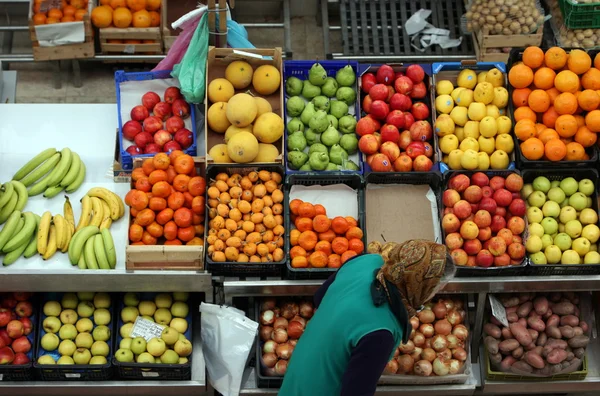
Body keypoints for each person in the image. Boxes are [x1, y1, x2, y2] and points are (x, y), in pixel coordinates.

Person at [279, 239, 456, 396]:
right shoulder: (381, 331)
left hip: (300, 371)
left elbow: (319, 298)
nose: (431, 297)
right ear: (421, 287)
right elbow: (356, 391)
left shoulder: (367, 260)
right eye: (436, 290)